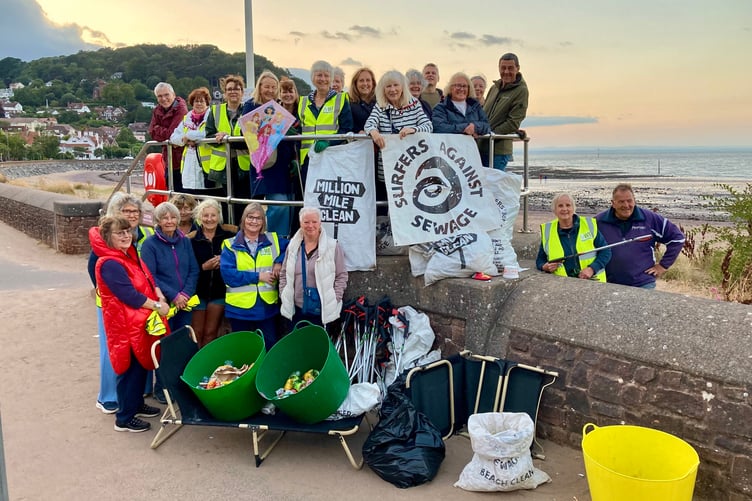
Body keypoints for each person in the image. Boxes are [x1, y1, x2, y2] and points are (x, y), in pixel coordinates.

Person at [89, 216, 167, 432]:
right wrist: (156, 306)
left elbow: (147, 279)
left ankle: (135, 405)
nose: (125, 236)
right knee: (128, 369)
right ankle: (124, 417)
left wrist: (158, 294)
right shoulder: (109, 263)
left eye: (127, 232)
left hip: (137, 321)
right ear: (108, 237)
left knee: (140, 365)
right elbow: (128, 295)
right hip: (124, 325)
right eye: (120, 233)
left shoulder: (128, 256)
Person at [220, 202, 289, 348]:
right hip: (238, 309)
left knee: (269, 347)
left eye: (258, 218)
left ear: (263, 222)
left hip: (266, 308)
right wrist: (258, 277)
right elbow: (229, 276)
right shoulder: (229, 244)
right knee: (242, 350)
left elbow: (293, 247)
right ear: (244, 219)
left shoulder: (274, 240)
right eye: (250, 217)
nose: (254, 221)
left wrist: (279, 261)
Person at [596, 184, 686, 289]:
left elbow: (677, 238)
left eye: (629, 201)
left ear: (634, 201)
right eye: (621, 201)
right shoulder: (599, 222)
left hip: (643, 283)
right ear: (613, 203)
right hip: (608, 283)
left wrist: (663, 266)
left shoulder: (649, 219)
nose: (626, 205)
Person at [364, 70, 433, 205]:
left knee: (408, 201)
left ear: (402, 87)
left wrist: (413, 130)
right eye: (388, 86)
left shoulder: (414, 103)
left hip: (411, 164)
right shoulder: (380, 105)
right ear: (383, 89)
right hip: (387, 165)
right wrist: (374, 132)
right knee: (388, 201)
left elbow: (428, 126)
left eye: (396, 85)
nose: (393, 89)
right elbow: (369, 124)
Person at [241, 71, 296, 238]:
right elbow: (247, 130)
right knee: (278, 204)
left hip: (284, 162)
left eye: (274, 87)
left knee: (288, 203)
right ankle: (272, 239)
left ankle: (284, 239)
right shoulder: (251, 105)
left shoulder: (281, 106)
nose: (270, 90)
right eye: (267, 86)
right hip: (266, 160)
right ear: (260, 87)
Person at [280, 207, 348, 331]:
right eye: (306, 222)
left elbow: (341, 275)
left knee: (318, 347)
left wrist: (335, 298)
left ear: (320, 223)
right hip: (296, 309)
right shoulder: (293, 246)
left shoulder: (332, 246)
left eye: (314, 222)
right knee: (298, 346)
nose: (310, 225)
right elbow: (284, 273)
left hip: (321, 309)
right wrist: (283, 294)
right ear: (300, 224)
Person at [140, 202, 199, 332]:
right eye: (164, 218)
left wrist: (185, 294)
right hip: (164, 302)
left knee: (184, 337)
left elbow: (194, 269)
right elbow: (150, 276)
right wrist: (174, 296)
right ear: (158, 221)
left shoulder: (185, 241)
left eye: (173, 217)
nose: (169, 221)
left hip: (185, 301)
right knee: (167, 340)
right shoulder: (149, 244)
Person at [188, 199, 237, 347]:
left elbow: (240, 258)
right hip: (198, 292)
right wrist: (204, 267)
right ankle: (193, 365)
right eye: (205, 215)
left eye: (213, 215)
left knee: (211, 332)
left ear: (219, 216)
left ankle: (205, 365)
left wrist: (226, 259)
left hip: (219, 291)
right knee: (196, 332)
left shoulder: (229, 236)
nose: (209, 219)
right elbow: (187, 267)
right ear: (199, 217)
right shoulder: (191, 239)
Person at [206, 74, 250, 223]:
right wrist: (218, 137)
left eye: (237, 89)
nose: (233, 92)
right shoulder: (215, 111)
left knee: (242, 205)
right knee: (224, 205)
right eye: (230, 89)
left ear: (242, 92)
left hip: (243, 166)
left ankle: (240, 233)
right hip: (222, 167)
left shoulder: (249, 110)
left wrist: (231, 140)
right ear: (225, 93)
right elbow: (209, 135)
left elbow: (252, 138)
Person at [537, 193, 611, 281]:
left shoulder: (588, 225)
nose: (565, 209)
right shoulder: (548, 231)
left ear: (573, 208)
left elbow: (606, 251)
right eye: (560, 206)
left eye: (568, 205)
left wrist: (592, 268)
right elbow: (540, 260)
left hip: (593, 282)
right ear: (555, 210)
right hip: (562, 285)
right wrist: (544, 267)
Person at [297, 60, 354, 174]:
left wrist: (328, 141)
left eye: (326, 76)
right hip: (308, 160)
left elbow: (346, 129)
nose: (323, 79)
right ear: (312, 78)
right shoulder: (303, 101)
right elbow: (300, 131)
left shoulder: (340, 99)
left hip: (332, 158)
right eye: (319, 75)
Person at [482, 53, 529, 171]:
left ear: (518, 68)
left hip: (498, 151)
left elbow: (513, 123)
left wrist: (489, 133)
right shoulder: (494, 88)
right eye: (503, 68)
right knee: (481, 187)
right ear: (498, 68)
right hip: (481, 146)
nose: (506, 71)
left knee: (493, 187)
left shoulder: (521, 90)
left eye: (510, 68)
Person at [169, 86, 212, 192]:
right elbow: (173, 137)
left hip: (208, 169)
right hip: (188, 170)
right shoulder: (186, 118)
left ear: (207, 103)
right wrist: (185, 140)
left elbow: (206, 133)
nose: (199, 104)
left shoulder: (212, 117)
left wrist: (187, 135)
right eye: (196, 101)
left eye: (202, 101)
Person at [148, 82, 188, 191]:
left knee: (184, 196)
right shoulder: (158, 110)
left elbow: (173, 134)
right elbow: (151, 131)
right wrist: (162, 132)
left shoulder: (181, 109)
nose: (164, 99)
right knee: (171, 194)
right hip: (168, 160)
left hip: (182, 160)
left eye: (166, 95)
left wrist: (158, 129)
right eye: (160, 96)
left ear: (173, 95)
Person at [432, 72, 490, 141]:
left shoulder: (475, 106)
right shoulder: (440, 108)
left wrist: (475, 127)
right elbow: (439, 128)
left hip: (473, 150)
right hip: (450, 149)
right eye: (458, 85)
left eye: (464, 86)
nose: (461, 89)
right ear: (451, 88)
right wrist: (465, 128)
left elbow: (486, 126)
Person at [349, 67, 377, 133]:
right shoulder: (349, 103)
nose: (365, 84)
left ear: (373, 83)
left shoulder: (380, 101)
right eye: (361, 80)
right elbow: (348, 124)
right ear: (355, 84)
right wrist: (358, 131)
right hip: (357, 140)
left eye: (368, 80)